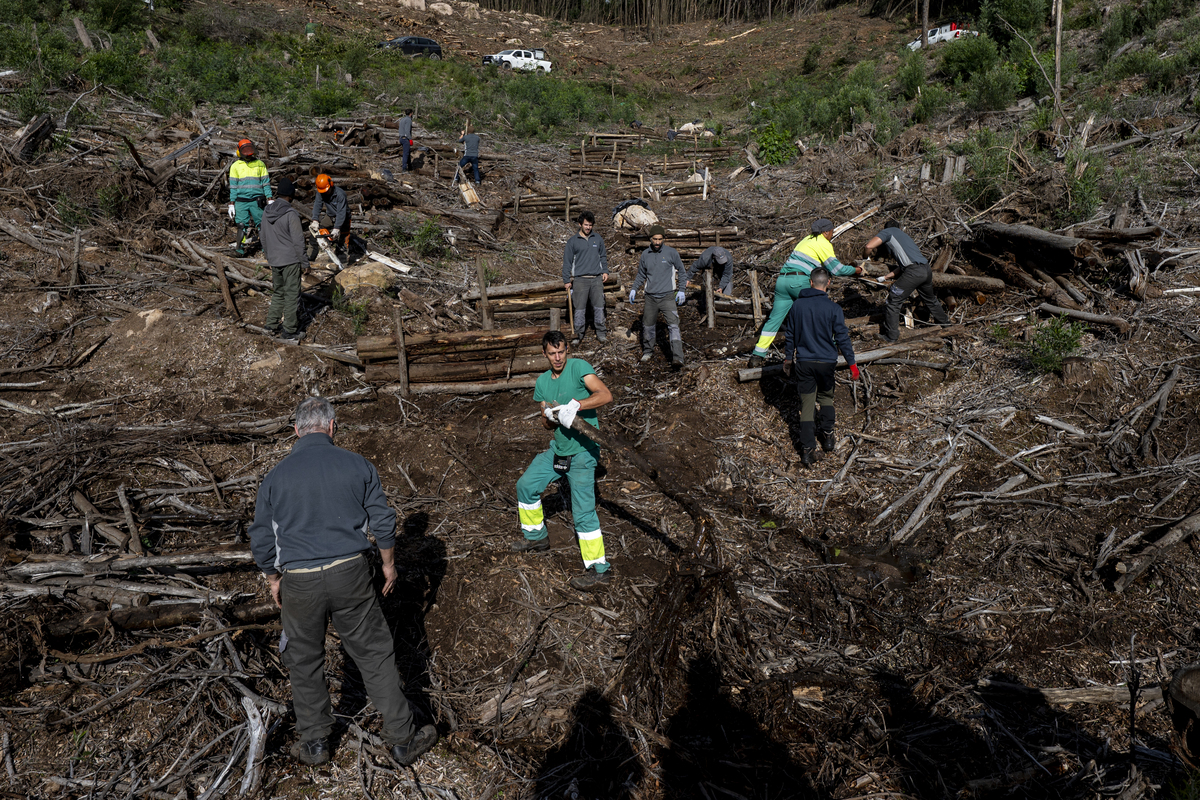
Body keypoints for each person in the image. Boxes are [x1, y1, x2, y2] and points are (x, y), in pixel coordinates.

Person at [249, 397, 439, 767]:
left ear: (295, 431)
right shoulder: (357, 464)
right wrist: (388, 565)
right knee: (373, 652)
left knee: (304, 660)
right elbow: (382, 520)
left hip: (299, 579)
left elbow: (261, 538)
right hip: (350, 572)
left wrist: (273, 579)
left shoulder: (275, 477)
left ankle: (316, 744)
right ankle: (402, 738)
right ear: (333, 427)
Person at [513, 331, 614, 592]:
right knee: (526, 486)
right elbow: (546, 424)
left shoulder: (579, 367)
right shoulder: (543, 382)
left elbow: (605, 395)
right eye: (552, 353)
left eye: (561, 351)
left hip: (582, 452)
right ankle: (536, 538)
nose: (558, 357)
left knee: (583, 512)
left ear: (566, 349)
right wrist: (550, 416)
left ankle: (599, 569)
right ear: (544, 354)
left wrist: (577, 406)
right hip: (558, 449)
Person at [748, 218, 861, 368]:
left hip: (782, 281)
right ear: (825, 232)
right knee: (819, 310)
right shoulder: (823, 243)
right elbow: (837, 270)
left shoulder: (806, 239)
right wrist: (856, 270)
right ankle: (833, 346)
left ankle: (757, 355)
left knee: (774, 320)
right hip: (799, 281)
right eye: (832, 231)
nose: (832, 234)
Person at [781, 267, 861, 468]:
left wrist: (788, 359)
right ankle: (827, 437)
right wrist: (852, 365)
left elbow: (790, 335)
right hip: (826, 363)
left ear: (810, 283)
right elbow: (842, 338)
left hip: (805, 362)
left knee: (807, 405)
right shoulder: (834, 309)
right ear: (828, 284)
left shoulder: (797, 306)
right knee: (826, 398)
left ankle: (807, 450)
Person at [863, 221, 952, 342]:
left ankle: (891, 337)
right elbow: (903, 265)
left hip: (914, 272)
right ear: (900, 227)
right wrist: (885, 277)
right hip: (925, 269)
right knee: (930, 299)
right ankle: (947, 327)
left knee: (893, 300)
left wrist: (865, 258)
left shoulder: (888, 232)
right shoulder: (905, 237)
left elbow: (869, 246)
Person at [629, 224, 687, 368]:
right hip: (650, 297)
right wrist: (634, 289)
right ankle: (648, 351)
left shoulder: (671, 253)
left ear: (664, 239)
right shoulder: (645, 254)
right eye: (654, 239)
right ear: (650, 239)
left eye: (660, 239)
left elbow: (682, 270)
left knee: (674, 326)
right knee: (648, 325)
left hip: (667, 296)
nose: (657, 242)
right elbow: (641, 274)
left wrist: (681, 290)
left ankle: (678, 358)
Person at [260, 176, 308, 341]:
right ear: (290, 196)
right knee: (291, 294)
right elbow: (298, 241)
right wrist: (305, 262)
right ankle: (289, 330)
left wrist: (269, 257)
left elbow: (263, 237)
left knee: (278, 292)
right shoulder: (291, 213)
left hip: (274, 259)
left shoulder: (267, 212)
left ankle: (270, 325)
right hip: (290, 260)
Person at [562, 211, 609, 346]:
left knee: (599, 307)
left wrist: (605, 271)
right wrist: (566, 280)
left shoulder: (597, 239)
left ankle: (601, 333)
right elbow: (567, 262)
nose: (588, 227)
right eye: (586, 225)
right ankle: (578, 334)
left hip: (596, 279)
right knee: (580, 309)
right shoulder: (572, 242)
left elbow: (603, 256)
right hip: (580, 280)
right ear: (580, 224)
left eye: (590, 225)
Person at [228, 139, 272, 256]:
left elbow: (265, 183)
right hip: (241, 201)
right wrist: (231, 204)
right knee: (241, 225)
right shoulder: (235, 166)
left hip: (257, 200)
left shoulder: (260, 164)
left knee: (262, 224)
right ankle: (239, 249)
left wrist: (269, 198)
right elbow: (233, 186)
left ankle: (266, 248)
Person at [311, 173, 351, 253]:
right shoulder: (321, 192)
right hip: (330, 215)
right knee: (316, 232)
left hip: (344, 217)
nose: (325, 193)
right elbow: (317, 205)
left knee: (342, 241)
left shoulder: (340, 194)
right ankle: (311, 256)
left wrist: (336, 228)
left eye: (326, 191)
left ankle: (342, 261)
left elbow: (341, 212)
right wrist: (315, 220)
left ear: (331, 184)